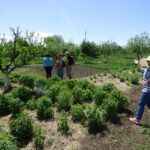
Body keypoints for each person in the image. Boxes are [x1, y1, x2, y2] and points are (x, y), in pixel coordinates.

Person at [129, 56, 150, 125]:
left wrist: (147, 81)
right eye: (148, 61)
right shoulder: (146, 69)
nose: (148, 62)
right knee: (148, 102)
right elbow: (140, 68)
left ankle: (137, 119)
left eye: (149, 61)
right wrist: (137, 63)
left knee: (141, 103)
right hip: (146, 89)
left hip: (147, 90)